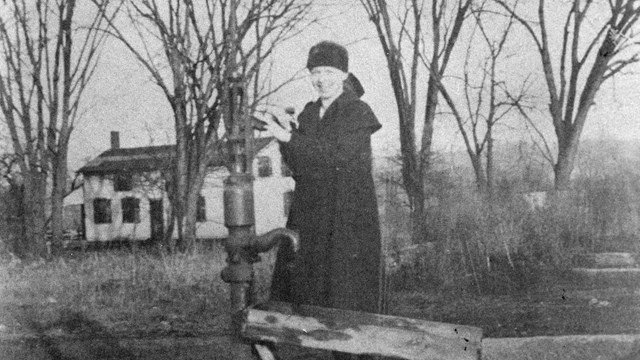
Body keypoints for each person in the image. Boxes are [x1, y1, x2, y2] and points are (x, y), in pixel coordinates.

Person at [262, 41, 383, 359]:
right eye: (315, 72)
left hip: (348, 218)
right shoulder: (309, 113)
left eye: (329, 71)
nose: (322, 79)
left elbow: (339, 160)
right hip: (312, 215)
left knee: (347, 298)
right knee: (308, 294)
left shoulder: (357, 112)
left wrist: (292, 140)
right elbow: (302, 167)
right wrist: (288, 135)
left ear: (343, 73)